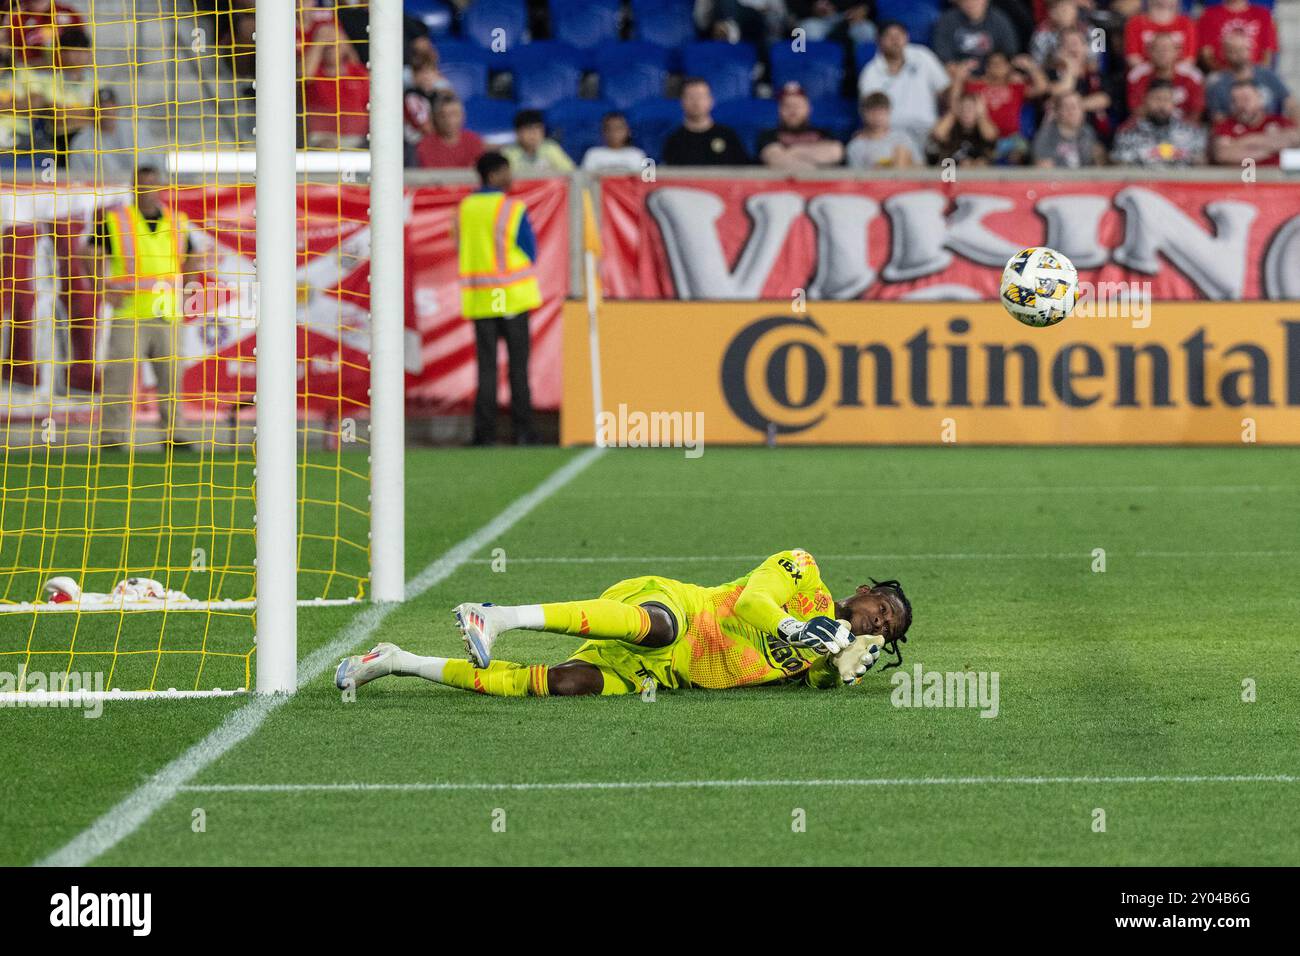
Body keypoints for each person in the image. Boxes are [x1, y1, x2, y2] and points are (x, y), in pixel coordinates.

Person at [335, 549, 913, 698]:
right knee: (657, 626)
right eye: (882, 611)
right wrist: (801, 630)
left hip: (664, 675)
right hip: (675, 608)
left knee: (561, 685)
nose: (879, 625)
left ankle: (396, 660)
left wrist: (840, 663)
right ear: (863, 592)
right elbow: (752, 605)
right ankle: (497, 615)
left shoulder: (827, 650)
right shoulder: (802, 570)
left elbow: (817, 682)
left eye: (887, 631)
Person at [92, 165, 204, 450]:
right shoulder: (116, 220)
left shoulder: (177, 221)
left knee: (171, 378)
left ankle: (175, 434)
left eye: (153, 185)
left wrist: (189, 289)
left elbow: (193, 256)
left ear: (160, 187)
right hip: (130, 311)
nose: (147, 190)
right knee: (119, 376)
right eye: (142, 185)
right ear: (133, 187)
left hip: (166, 313)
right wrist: (102, 287)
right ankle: (112, 437)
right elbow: (90, 252)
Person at [456, 152, 541, 446]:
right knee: (518, 367)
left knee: (486, 369)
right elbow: (530, 250)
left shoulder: (465, 208)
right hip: (511, 298)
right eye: (506, 172)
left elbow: (460, 245)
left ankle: (484, 434)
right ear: (493, 175)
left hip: (481, 298)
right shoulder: (511, 207)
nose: (510, 177)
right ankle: (523, 431)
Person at [857, 20, 950, 154]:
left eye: (899, 36)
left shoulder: (922, 56)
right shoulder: (870, 73)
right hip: (892, 133)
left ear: (907, 37)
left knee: (951, 145)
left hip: (929, 130)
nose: (895, 41)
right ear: (879, 40)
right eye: (890, 37)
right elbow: (870, 111)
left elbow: (945, 90)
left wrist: (946, 120)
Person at [957, 51, 1048, 163]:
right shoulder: (977, 86)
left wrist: (1030, 66)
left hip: (1012, 140)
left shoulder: (1015, 87)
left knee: (1021, 153)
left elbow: (1042, 88)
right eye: (993, 64)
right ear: (987, 67)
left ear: (1008, 67)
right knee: (978, 159)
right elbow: (955, 99)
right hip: (982, 140)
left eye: (1001, 64)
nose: (997, 67)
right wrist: (960, 75)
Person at [1110, 78, 1206, 166]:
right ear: (1145, 101)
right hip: (1141, 183)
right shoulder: (1128, 132)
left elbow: (1200, 161)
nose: (1161, 105)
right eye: (1156, 99)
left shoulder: (1191, 132)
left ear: (1174, 102)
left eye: (1166, 99)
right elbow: (1119, 162)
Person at [1205, 30, 1295, 124]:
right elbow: (1218, 120)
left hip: (1270, 130)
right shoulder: (1217, 83)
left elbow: (1291, 103)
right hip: (1237, 134)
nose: (1238, 54)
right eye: (1232, 50)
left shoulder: (1267, 75)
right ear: (1224, 53)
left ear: (1250, 50)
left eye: (1242, 49)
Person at [756, 82, 844, 171]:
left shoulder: (823, 133)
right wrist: (815, 162)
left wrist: (792, 151)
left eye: (797, 106)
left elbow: (835, 153)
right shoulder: (768, 135)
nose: (793, 111)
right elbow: (776, 159)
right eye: (787, 106)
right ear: (780, 110)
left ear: (808, 108)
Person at [661, 77, 750, 165]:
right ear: (682, 102)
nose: (696, 102)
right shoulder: (674, 139)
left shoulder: (728, 136)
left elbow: (744, 170)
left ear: (711, 100)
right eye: (691, 97)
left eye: (701, 97)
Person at [1211, 80, 1299, 167]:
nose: (1240, 105)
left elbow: (1295, 139)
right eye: (1235, 101)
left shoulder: (1278, 121)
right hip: (1241, 178)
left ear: (1260, 99)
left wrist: (1242, 142)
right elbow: (1224, 155)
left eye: (1246, 99)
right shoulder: (1225, 126)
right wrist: (1273, 148)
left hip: (1276, 178)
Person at [1126, 31, 1204, 122]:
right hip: (1148, 128)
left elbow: (1196, 112)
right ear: (1149, 51)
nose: (1162, 53)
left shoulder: (1192, 75)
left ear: (1177, 51)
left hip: (1183, 129)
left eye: (1167, 49)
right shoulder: (1137, 75)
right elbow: (1136, 110)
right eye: (1157, 49)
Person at [931, 0, 1019, 69]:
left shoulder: (1000, 20)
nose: (971, 3)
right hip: (958, 74)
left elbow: (1009, 53)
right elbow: (943, 56)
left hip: (990, 74)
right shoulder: (947, 20)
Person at [846, 91, 921, 168]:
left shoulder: (903, 138)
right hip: (873, 178)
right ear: (863, 114)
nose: (877, 117)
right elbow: (855, 177)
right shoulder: (856, 145)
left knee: (901, 153)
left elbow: (921, 167)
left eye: (881, 112)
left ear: (889, 112)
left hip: (904, 177)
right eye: (873, 112)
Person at [1198, 0, 1278, 72]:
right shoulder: (1209, 15)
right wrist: (1225, 75)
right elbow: (1207, 55)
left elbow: (1267, 55)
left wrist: (1254, 76)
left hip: (1255, 76)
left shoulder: (1264, 15)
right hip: (1220, 75)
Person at [1032, 90, 1104, 167]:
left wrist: (1100, 157)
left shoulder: (1087, 132)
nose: (1072, 112)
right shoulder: (1046, 135)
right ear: (1058, 111)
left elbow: (1099, 164)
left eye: (1076, 107)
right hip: (1057, 178)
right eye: (1067, 107)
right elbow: (1043, 166)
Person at [416, 93, 486, 168]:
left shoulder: (474, 141)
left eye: (455, 114)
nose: (449, 121)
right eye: (443, 116)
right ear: (435, 118)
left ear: (463, 116)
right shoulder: (425, 145)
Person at [929, 90, 999, 166]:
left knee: (980, 163)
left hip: (980, 173)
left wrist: (982, 116)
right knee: (965, 163)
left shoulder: (983, 128)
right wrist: (952, 112)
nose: (966, 112)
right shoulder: (952, 127)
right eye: (962, 108)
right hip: (952, 173)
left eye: (970, 109)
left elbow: (990, 136)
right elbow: (938, 134)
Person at [1123, 0, 1197, 69]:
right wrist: (1157, 73)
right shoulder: (1135, 23)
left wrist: (1168, 74)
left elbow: (1189, 58)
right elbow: (1133, 57)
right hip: (1143, 75)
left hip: (1180, 76)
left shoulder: (1187, 24)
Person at [502, 109, 575, 174]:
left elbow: (570, 172)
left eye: (538, 128)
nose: (534, 133)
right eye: (528, 129)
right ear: (518, 132)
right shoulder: (508, 154)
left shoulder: (551, 148)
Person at [580, 111, 647, 172]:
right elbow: (585, 181)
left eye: (618, 128)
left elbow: (642, 182)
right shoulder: (593, 154)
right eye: (609, 129)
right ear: (603, 132)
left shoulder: (637, 154)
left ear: (628, 131)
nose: (614, 133)